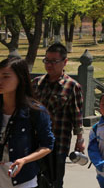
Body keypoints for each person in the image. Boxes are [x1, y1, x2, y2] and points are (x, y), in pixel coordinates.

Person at [32, 43, 84, 188]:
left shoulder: (72, 86)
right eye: (47, 60)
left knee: (53, 182)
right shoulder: (36, 83)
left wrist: (80, 140)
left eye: (54, 61)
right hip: (34, 143)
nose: (49, 65)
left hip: (58, 143)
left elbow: (77, 116)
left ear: (65, 62)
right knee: (33, 182)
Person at [0, 57, 55, 188]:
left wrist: (24, 160)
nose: (0, 81)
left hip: (22, 179)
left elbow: (47, 145)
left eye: (6, 77)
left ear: (20, 78)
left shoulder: (35, 111)